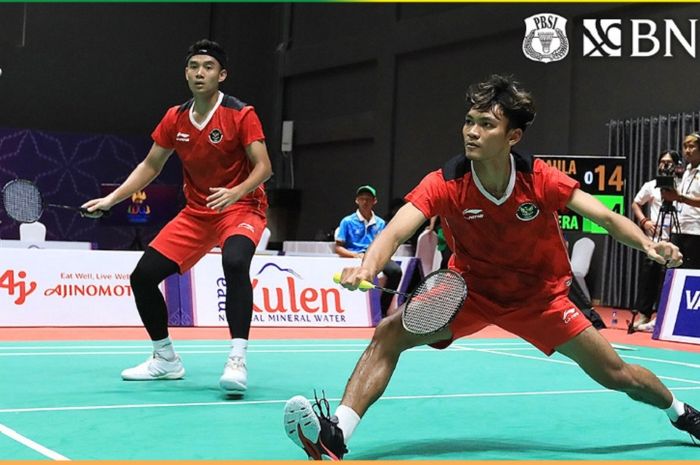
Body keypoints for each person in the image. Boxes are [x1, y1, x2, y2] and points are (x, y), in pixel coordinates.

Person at [282, 74, 699, 460]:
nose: (472, 132)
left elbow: (606, 218)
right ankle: (336, 435)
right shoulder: (445, 182)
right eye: (468, 121)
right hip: (470, 292)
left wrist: (648, 243)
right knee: (389, 333)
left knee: (617, 374)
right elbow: (394, 231)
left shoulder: (539, 179)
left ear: (512, 136)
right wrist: (367, 265)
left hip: (542, 300)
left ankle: (680, 411)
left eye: (486, 124)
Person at [82, 39, 272, 394]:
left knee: (234, 262)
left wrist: (236, 192)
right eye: (194, 67)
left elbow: (264, 168)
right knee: (142, 277)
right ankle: (165, 358)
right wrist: (111, 199)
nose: (200, 73)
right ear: (186, 73)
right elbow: (150, 165)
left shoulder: (240, 114)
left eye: (208, 67)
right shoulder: (176, 117)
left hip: (241, 206)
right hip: (197, 213)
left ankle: (237, 358)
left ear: (222, 74)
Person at [631, 150, 682, 332]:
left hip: (677, 238)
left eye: (668, 163)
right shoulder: (651, 185)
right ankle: (644, 314)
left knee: (667, 280)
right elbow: (635, 203)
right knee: (649, 279)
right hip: (655, 240)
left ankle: (664, 317)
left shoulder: (683, 185)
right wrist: (644, 221)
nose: (664, 166)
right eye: (662, 162)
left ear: (677, 165)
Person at [334, 185, 402, 317]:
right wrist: (355, 255)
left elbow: (386, 244)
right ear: (356, 201)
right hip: (354, 256)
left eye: (368, 199)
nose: (365, 202)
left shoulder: (381, 223)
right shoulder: (347, 222)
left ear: (374, 201)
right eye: (361, 199)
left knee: (395, 271)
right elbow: (338, 247)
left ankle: (382, 311)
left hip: (375, 257)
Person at [661, 132, 700, 270]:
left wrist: (679, 198)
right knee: (673, 267)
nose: (687, 150)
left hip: (696, 230)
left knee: (692, 270)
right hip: (679, 226)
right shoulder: (687, 170)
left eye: (691, 146)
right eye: (685, 147)